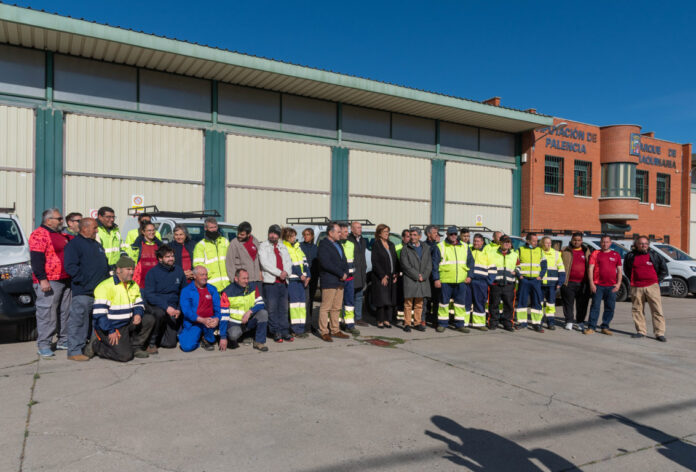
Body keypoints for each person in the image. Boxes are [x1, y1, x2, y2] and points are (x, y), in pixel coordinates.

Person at [90, 256, 155, 361]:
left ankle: (135, 347)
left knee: (149, 319)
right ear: (119, 270)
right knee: (125, 356)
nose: (132, 272)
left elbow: (139, 303)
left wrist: (138, 314)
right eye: (128, 269)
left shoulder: (133, 284)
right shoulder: (105, 286)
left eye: (133, 269)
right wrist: (110, 331)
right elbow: (99, 314)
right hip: (111, 327)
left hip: (126, 323)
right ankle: (96, 346)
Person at [64, 218, 109, 361]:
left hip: (99, 292)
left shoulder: (96, 245)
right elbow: (71, 267)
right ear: (85, 228)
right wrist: (85, 282)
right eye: (95, 228)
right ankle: (74, 351)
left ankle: (90, 348)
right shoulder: (74, 245)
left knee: (95, 322)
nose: (97, 231)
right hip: (84, 292)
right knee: (79, 321)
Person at [29, 208, 73, 357]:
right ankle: (44, 344)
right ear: (48, 220)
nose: (62, 221)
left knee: (65, 311)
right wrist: (42, 279)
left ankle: (63, 340)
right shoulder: (39, 234)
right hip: (49, 280)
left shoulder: (60, 234)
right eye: (59, 218)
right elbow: (36, 259)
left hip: (64, 278)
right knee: (47, 313)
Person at [143, 245, 187, 352]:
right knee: (160, 314)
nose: (171, 258)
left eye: (172, 256)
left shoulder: (179, 271)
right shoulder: (152, 273)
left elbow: (184, 292)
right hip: (157, 306)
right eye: (167, 257)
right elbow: (150, 295)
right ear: (160, 259)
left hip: (173, 308)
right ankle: (151, 343)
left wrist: (179, 309)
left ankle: (159, 338)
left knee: (171, 343)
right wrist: (166, 307)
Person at [624, 236, 668, 342]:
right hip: (636, 286)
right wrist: (634, 280)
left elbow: (664, 270)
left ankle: (659, 333)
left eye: (646, 244)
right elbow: (627, 270)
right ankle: (641, 331)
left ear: (648, 245)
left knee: (657, 310)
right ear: (636, 245)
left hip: (652, 286)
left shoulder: (654, 255)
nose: (644, 245)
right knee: (637, 310)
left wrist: (656, 280)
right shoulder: (630, 256)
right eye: (641, 243)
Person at [432, 226, 475, 333]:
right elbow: (434, 265)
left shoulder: (465, 247)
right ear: (447, 235)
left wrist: (470, 276)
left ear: (457, 235)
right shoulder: (440, 246)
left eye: (455, 234)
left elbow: (471, 263)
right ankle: (442, 324)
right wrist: (436, 279)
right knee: (443, 303)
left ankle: (460, 324)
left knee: (460, 304)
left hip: (461, 281)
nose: (453, 236)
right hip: (445, 280)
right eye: (451, 234)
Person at [219, 268, 269, 352]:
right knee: (234, 335)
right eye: (243, 278)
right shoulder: (227, 292)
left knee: (263, 313)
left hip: (248, 320)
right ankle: (232, 339)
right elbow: (224, 316)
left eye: (247, 278)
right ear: (236, 279)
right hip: (234, 323)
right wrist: (223, 337)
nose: (246, 281)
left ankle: (259, 342)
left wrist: (249, 312)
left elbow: (260, 303)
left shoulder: (252, 287)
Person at [259, 224, 293, 342]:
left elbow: (289, 261)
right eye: (271, 233)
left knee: (283, 308)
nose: (273, 235)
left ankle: (285, 331)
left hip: (283, 282)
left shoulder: (283, 247)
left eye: (275, 234)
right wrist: (279, 273)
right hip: (271, 282)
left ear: (278, 236)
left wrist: (286, 272)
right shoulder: (263, 246)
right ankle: (275, 331)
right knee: (272, 308)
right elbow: (264, 263)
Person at [317, 221, 350, 342]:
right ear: (330, 233)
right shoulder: (323, 244)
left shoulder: (339, 244)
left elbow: (344, 260)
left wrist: (345, 272)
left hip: (340, 281)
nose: (340, 234)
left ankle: (335, 329)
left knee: (336, 307)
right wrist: (341, 273)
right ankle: (324, 331)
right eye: (338, 231)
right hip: (330, 280)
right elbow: (326, 263)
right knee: (326, 307)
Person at [585, 235, 622, 336]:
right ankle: (591, 327)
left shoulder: (616, 254)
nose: (605, 244)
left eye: (607, 242)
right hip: (598, 286)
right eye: (603, 242)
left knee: (610, 307)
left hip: (611, 287)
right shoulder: (596, 253)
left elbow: (619, 271)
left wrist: (618, 284)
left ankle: (605, 326)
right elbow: (590, 269)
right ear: (600, 243)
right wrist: (592, 283)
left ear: (610, 243)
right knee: (595, 307)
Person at [178, 266, 221, 352]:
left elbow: (218, 308)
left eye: (206, 275)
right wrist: (202, 320)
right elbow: (187, 311)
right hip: (194, 323)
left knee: (212, 340)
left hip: (210, 321)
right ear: (194, 276)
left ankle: (206, 338)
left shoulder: (212, 289)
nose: (205, 277)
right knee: (187, 347)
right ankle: (197, 338)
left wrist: (217, 318)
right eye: (202, 275)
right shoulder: (186, 291)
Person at [399, 227, 431, 332]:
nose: (412, 237)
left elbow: (429, 264)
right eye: (411, 235)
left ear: (419, 236)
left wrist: (424, 275)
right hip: (410, 279)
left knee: (419, 303)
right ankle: (407, 323)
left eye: (414, 235)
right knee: (408, 303)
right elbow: (405, 265)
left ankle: (417, 323)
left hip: (422, 280)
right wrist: (417, 276)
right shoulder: (405, 248)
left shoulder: (425, 247)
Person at [282, 227, 311, 337]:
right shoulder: (285, 248)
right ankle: (295, 330)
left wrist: (308, 275)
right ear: (287, 237)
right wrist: (300, 275)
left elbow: (305, 262)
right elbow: (290, 264)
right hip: (293, 280)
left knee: (301, 305)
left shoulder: (298, 247)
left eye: (295, 235)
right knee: (294, 305)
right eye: (293, 236)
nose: (295, 238)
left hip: (302, 280)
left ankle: (301, 328)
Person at [515, 233, 547, 332]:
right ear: (528, 241)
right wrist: (519, 276)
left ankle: (537, 324)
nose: (536, 243)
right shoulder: (520, 250)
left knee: (536, 302)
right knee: (522, 301)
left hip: (535, 281)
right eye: (534, 241)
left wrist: (540, 276)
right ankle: (522, 322)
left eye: (536, 241)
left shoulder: (540, 251)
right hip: (524, 280)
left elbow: (544, 265)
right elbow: (515, 264)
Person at [561, 232, 592, 330]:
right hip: (568, 282)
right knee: (568, 304)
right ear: (571, 240)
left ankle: (580, 322)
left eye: (579, 240)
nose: (576, 242)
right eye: (575, 240)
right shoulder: (565, 251)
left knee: (582, 304)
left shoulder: (587, 251)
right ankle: (569, 321)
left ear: (582, 241)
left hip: (583, 283)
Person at [372, 224, 399, 328]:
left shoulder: (391, 244)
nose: (387, 233)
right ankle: (380, 320)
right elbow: (375, 262)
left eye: (388, 231)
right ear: (379, 233)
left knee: (390, 298)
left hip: (392, 275)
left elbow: (395, 260)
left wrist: (396, 273)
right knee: (382, 299)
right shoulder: (376, 245)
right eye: (384, 231)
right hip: (381, 277)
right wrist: (382, 275)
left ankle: (388, 320)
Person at [193, 217, 230, 292]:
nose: (213, 229)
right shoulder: (200, 245)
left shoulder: (225, 242)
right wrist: (209, 275)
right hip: (211, 285)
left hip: (227, 284)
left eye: (215, 227)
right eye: (211, 227)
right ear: (205, 228)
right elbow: (198, 265)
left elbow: (232, 260)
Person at [225, 221, 263, 295]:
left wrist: (261, 274)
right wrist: (235, 281)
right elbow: (230, 264)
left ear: (249, 234)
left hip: (256, 280)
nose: (239, 236)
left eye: (242, 234)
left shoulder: (255, 241)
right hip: (243, 282)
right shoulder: (234, 244)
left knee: (258, 304)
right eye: (238, 233)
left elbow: (260, 259)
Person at [488, 235, 517, 331]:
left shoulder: (514, 254)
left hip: (509, 284)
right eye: (505, 242)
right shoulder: (492, 253)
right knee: (493, 304)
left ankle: (508, 324)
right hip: (495, 284)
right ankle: (493, 322)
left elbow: (520, 266)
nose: (507, 244)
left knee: (509, 306)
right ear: (500, 243)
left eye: (508, 242)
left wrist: (516, 271)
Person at [337, 223, 360, 335]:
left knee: (349, 302)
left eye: (347, 231)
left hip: (350, 279)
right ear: (339, 233)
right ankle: (335, 324)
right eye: (345, 232)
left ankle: (349, 325)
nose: (347, 233)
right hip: (338, 279)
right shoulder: (335, 244)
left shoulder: (351, 244)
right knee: (336, 303)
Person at [470, 233, 495, 331]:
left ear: (482, 242)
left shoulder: (487, 253)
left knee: (480, 303)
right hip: (469, 281)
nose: (476, 243)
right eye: (475, 241)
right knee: (467, 302)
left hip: (481, 282)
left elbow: (492, 269)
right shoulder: (469, 250)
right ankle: (465, 322)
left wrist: (488, 282)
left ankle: (479, 324)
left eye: (478, 241)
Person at [540, 236, 566, 330]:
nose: (549, 244)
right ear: (542, 243)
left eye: (550, 243)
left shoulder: (556, 254)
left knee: (551, 304)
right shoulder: (538, 253)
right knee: (539, 304)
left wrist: (560, 282)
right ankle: (539, 322)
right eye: (546, 243)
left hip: (552, 284)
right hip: (540, 284)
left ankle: (550, 322)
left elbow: (561, 269)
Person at [348, 221, 368, 327]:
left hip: (361, 272)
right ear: (352, 229)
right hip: (352, 273)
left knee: (359, 296)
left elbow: (362, 256)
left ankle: (358, 318)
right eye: (358, 227)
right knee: (350, 297)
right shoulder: (348, 240)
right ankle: (349, 318)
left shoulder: (363, 240)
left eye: (361, 227)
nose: (360, 229)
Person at [130, 222, 163, 288]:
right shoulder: (137, 246)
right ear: (143, 232)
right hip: (141, 281)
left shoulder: (159, 245)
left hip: (156, 280)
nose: (152, 232)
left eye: (153, 230)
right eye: (149, 230)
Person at [300, 227, 319, 330]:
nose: (306, 236)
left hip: (313, 277)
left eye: (308, 234)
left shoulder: (315, 247)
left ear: (312, 236)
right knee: (304, 300)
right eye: (304, 234)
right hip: (303, 277)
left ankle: (309, 322)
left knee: (311, 300)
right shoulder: (300, 246)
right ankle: (303, 322)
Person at [423, 224, 442, 327]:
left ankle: (435, 320)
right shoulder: (423, 246)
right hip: (426, 277)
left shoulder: (438, 246)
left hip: (436, 277)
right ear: (428, 234)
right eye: (434, 233)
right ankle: (424, 319)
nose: (436, 235)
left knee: (436, 300)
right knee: (425, 299)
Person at [394, 229, 410, 324]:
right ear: (403, 238)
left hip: (409, 276)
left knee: (408, 298)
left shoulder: (412, 247)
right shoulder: (397, 247)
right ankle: (400, 318)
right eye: (407, 236)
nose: (409, 238)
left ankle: (408, 318)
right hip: (400, 275)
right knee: (400, 297)